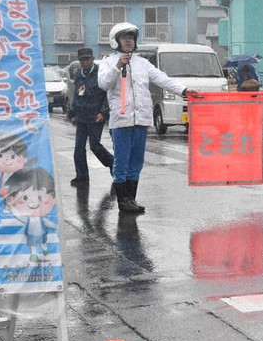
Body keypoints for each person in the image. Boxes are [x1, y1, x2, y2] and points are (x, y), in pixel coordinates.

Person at [97, 22, 189, 214]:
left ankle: (131, 198)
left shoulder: (142, 63)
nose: (128, 41)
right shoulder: (107, 62)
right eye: (124, 38)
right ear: (116, 41)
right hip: (121, 120)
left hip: (142, 119)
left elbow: (162, 79)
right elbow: (104, 84)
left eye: (131, 38)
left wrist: (184, 91)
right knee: (121, 161)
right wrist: (117, 66)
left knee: (136, 161)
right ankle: (123, 201)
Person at [68, 47, 114, 187]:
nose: (84, 62)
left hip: (95, 117)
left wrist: (103, 112)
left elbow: (107, 95)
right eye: (82, 59)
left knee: (95, 146)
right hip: (82, 117)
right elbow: (76, 95)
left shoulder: (100, 73)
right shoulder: (79, 76)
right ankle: (82, 176)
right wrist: (73, 114)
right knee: (78, 148)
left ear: (92, 59)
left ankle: (112, 163)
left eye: (87, 59)